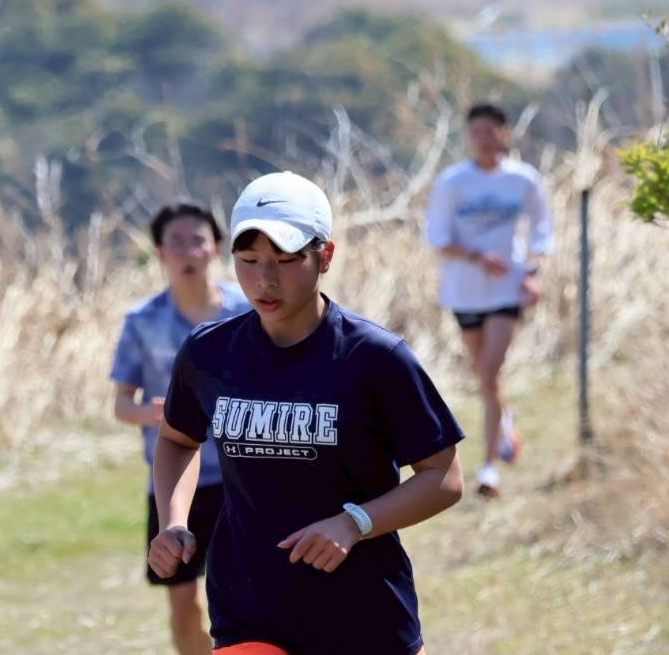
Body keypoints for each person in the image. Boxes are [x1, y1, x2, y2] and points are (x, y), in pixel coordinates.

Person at [149, 171, 465, 654]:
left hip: (365, 619)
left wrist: (355, 522)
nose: (265, 279)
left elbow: (444, 477)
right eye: (248, 260)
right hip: (247, 613)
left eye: (286, 260)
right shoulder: (208, 353)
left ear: (326, 256)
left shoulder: (376, 357)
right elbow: (177, 439)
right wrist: (174, 521)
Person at [110, 201, 251, 655]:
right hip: (174, 482)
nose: (188, 252)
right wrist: (153, 414)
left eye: (198, 241)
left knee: (251, 598)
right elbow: (121, 404)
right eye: (177, 242)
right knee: (185, 602)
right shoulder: (142, 320)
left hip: (241, 476)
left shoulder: (249, 309)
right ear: (160, 252)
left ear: (216, 248)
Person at [424, 102, 554, 498]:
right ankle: (505, 416)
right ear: (468, 136)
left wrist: (531, 274)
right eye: (476, 131)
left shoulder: (523, 179)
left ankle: (487, 470)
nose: (483, 139)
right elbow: (437, 238)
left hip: (506, 291)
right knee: (485, 376)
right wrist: (477, 257)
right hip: (464, 292)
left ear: (504, 133)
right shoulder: (452, 182)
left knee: (490, 369)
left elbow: (542, 231)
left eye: (490, 130)